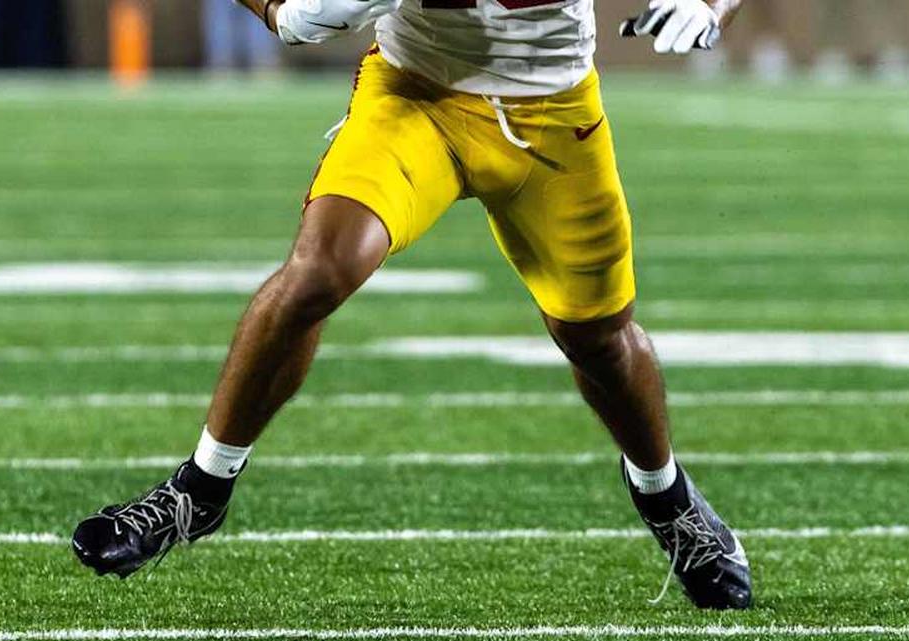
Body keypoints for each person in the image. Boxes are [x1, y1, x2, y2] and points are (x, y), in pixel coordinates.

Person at [72, 0, 753, 610]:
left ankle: (667, 499)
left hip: (552, 111)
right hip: (415, 95)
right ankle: (201, 488)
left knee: (598, 336)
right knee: (318, 272)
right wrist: (278, 11)